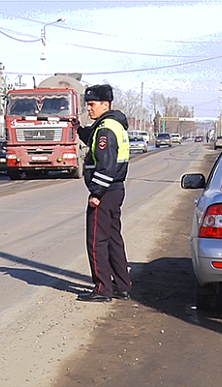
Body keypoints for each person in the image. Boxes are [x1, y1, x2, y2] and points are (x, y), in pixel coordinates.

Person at [76, 84, 131, 303]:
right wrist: (78, 129)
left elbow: (106, 165)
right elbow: (92, 137)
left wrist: (96, 193)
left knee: (97, 241)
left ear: (105, 104)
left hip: (105, 192)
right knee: (113, 239)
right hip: (116, 190)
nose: (88, 109)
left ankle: (102, 289)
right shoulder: (114, 124)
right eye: (87, 104)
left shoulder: (106, 129)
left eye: (92, 104)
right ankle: (122, 285)